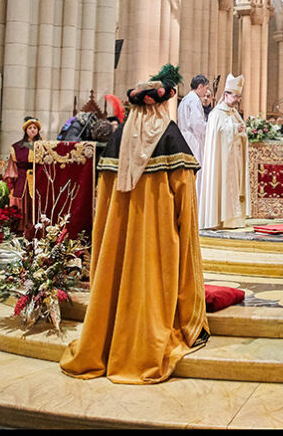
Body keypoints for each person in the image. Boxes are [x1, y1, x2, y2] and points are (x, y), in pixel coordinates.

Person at [60, 64, 209, 384]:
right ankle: (144, 346)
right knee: (153, 289)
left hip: (119, 241)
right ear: (160, 105)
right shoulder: (170, 137)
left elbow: (103, 206)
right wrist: (186, 234)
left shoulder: (119, 140)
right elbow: (185, 198)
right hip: (157, 242)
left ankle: (109, 339)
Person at [198, 74, 250, 230]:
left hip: (234, 158)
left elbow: (241, 132)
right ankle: (220, 218)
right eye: (236, 96)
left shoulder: (234, 113)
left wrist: (242, 132)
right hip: (222, 160)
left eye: (239, 97)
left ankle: (234, 219)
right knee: (223, 184)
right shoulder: (217, 113)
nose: (238, 100)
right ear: (226, 95)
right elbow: (219, 133)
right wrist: (235, 129)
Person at [178, 74, 211, 199]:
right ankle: (196, 205)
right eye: (205, 88)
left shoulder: (185, 99)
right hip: (193, 139)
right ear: (200, 86)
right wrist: (210, 127)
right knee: (196, 171)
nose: (206, 91)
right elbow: (197, 123)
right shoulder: (194, 100)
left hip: (185, 137)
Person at [3, 117, 42, 220]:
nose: (33, 130)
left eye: (35, 128)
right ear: (26, 130)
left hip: (38, 177)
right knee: (21, 198)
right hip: (21, 177)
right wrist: (11, 179)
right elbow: (12, 165)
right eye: (30, 128)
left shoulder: (44, 146)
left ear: (38, 130)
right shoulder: (17, 147)